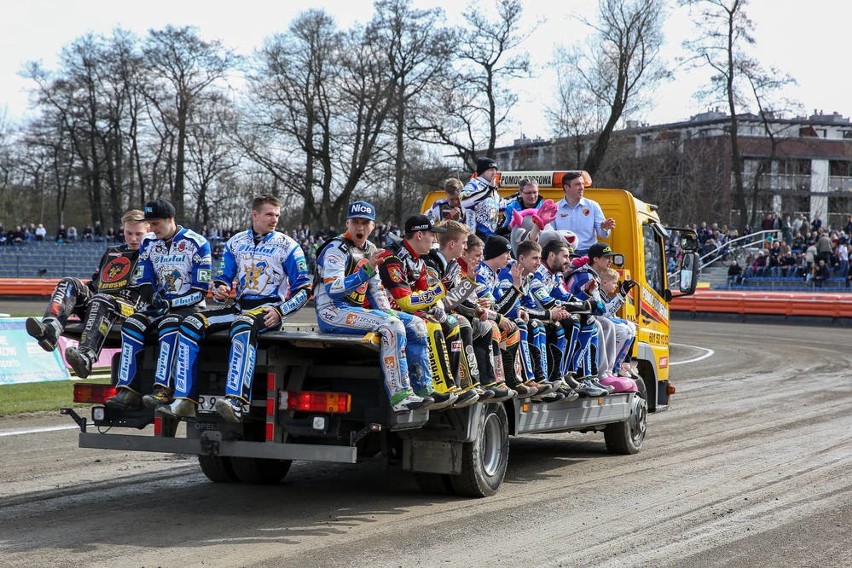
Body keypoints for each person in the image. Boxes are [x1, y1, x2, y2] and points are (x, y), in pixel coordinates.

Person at [158, 195, 312, 421]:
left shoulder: (289, 246)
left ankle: (236, 401)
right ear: (255, 215)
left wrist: (281, 311)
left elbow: (304, 289)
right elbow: (223, 278)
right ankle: (184, 400)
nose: (274, 220)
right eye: (269, 214)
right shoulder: (235, 242)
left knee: (243, 325)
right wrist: (220, 290)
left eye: (277, 215)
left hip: (268, 309)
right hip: (239, 306)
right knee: (191, 323)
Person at [313, 201, 434, 413]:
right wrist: (365, 271)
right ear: (347, 223)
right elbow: (333, 288)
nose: (360, 228)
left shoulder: (371, 249)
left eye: (365, 223)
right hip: (332, 311)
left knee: (416, 324)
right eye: (356, 223)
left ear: (373, 226)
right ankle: (400, 395)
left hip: (355, 310)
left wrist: (387, 310)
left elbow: (376, 289)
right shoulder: (336, 249)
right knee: (392, 326)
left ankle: (423, 389)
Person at [105, 199, 212, 410]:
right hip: (159, 304)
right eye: (150, 224)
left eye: (156, 224)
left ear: (170, 219)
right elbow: (143, 278)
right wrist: (152, 297)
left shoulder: (197, 243)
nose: (151, 229)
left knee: (169, 324)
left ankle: (163, 389)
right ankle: (128, 389)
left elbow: (201, 289)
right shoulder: (149, 243)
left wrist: (170, 303)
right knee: (132, 323)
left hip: (189, 306)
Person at [25, 210, 150, 377]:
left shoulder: (153, 254)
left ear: (148, 230)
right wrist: (82, 293)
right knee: (69, 282)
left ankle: (86, 357)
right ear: (123, 230)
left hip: (131, 309)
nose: (133, 238)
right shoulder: (112, 252)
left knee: (101, 299)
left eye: (138, 234)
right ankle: (50, 330)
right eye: (129, 233)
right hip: (99, 303)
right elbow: (95, 283)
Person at [379, 214, 478, 409]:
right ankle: (431, 387)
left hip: (406, 310)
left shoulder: (418, 261)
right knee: (430, 325)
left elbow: (424, 295)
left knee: (450, 323)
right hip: (387, 310)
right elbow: (405, 301)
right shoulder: (392, 258)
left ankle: (452, 385)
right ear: (418, 235)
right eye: (431, 235)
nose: (434, 240)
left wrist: (436, 307)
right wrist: (442, 287)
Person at [567, 243, 637, 393]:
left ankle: (611, 371)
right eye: (606, 258)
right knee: (610, 326)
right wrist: (620, 295)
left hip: (583, 314)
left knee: (625, 327)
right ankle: (603, 373)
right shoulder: (586, 276)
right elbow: (601, 311)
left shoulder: (592, 274)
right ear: (596, 259)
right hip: (578, 316)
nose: (610, 261)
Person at [546, 171, 615, 255]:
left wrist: (605, 228)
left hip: (589, 254)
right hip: (565, 254)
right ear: (566, 187)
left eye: (582, 184)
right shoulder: (555, 208)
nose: (582, 187)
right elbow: (551, 235)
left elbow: (603, 235)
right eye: (577, 184)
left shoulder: (593, 206)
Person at [460, 157, 504, 240]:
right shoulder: (473, 185)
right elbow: (464, 200)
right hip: (474, 236)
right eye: (490, 170)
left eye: (495, 170)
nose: (494, 173)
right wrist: (488, 189)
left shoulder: (493, 189)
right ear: (482, 171)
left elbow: (503, 205)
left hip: (491, 236)